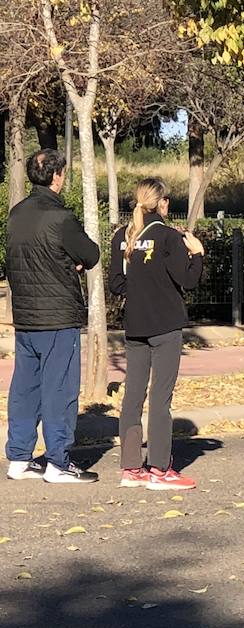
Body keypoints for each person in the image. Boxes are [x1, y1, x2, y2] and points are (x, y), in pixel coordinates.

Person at [5, 149, 101, 484]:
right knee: (59, 388)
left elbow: (22, 259)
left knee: (25, 386)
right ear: (57, 176)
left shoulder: (16, 215)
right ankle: (58, 462)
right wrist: (70, 263)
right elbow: (90, 254)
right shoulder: (60, 218)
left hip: (27, 315)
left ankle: (18, 456)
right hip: (57, 315)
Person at [108, 178, 204, 490]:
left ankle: (131, 467)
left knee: (133, 396)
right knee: (161, 398)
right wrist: (198, 254)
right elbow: (188, 280)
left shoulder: (123, 236)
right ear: (162, 203)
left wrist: (138, 291)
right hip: (165, 325)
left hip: (134, 326)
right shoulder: (167, 236)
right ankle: (160, 469)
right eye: (167, 201)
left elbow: (116, 284)